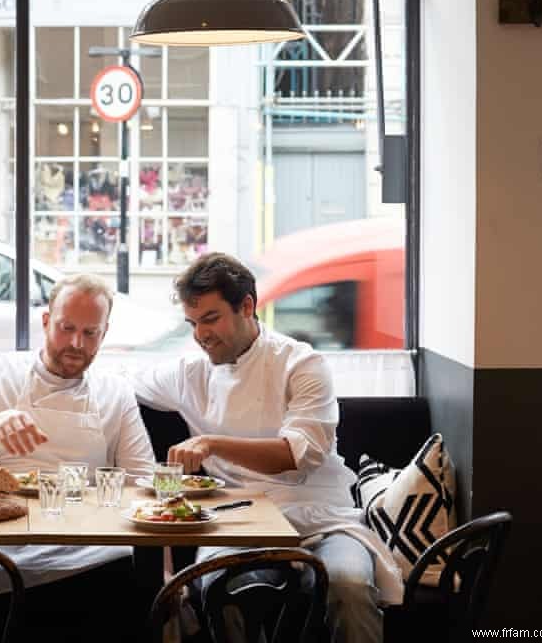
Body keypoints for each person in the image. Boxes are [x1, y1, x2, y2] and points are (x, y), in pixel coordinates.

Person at [133, 253, 403, 643]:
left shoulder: (302, 364)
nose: (200, 335)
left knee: (349, 586)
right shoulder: (190, 374)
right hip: (239, 522)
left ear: (247, 306)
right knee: (218, 592)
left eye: (211, 319)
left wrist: (211, 443)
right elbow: (120, 384)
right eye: (193, 323)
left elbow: (298, 455)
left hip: (322, 519)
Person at [0, 274, 156, 641]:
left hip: (88, 552)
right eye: (66, 328)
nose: (75, 343)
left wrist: (163, 577)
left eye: (90, 333)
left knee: (125, 588)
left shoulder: (114, 392)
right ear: (46, 321)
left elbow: (143, 486)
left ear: (105, 333)